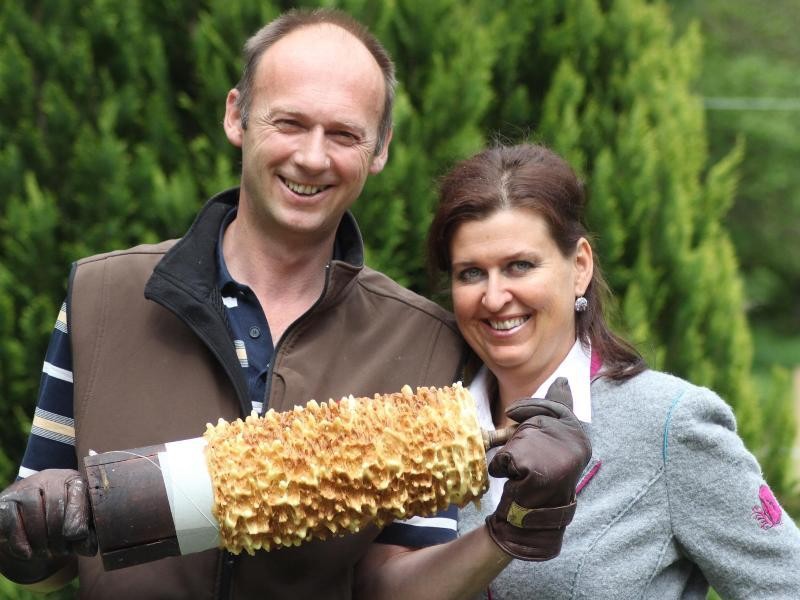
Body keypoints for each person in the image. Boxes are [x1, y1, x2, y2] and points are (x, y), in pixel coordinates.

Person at [0, 10, 591, 600]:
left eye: (343, 134)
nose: (312, 157)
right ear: (237, 115)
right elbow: (43, 565)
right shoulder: (102, 297)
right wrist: (26, 530)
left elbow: (391, 586)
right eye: (289, 123)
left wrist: (510, 530)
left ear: (379, 149)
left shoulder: (423, 340)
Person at [427, 142, 800, 599]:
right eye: (471, 273)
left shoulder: (668, 424)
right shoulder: (428, 429)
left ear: (579, 266)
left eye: (519, 266)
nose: (494, 296)